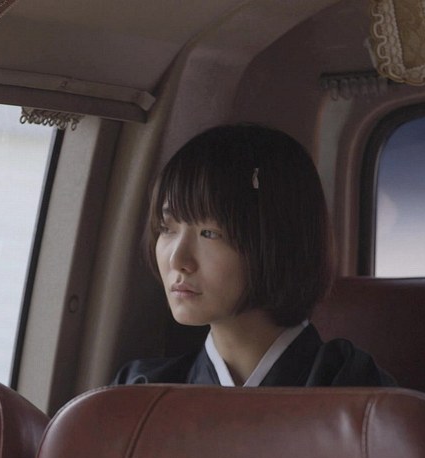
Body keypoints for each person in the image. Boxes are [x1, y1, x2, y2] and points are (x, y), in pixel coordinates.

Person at [114, 124, 394, 387]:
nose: (177, 260)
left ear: (280, 241)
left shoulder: (356, 388)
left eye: (209, 233)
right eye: (166, 229)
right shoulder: (141, 389)